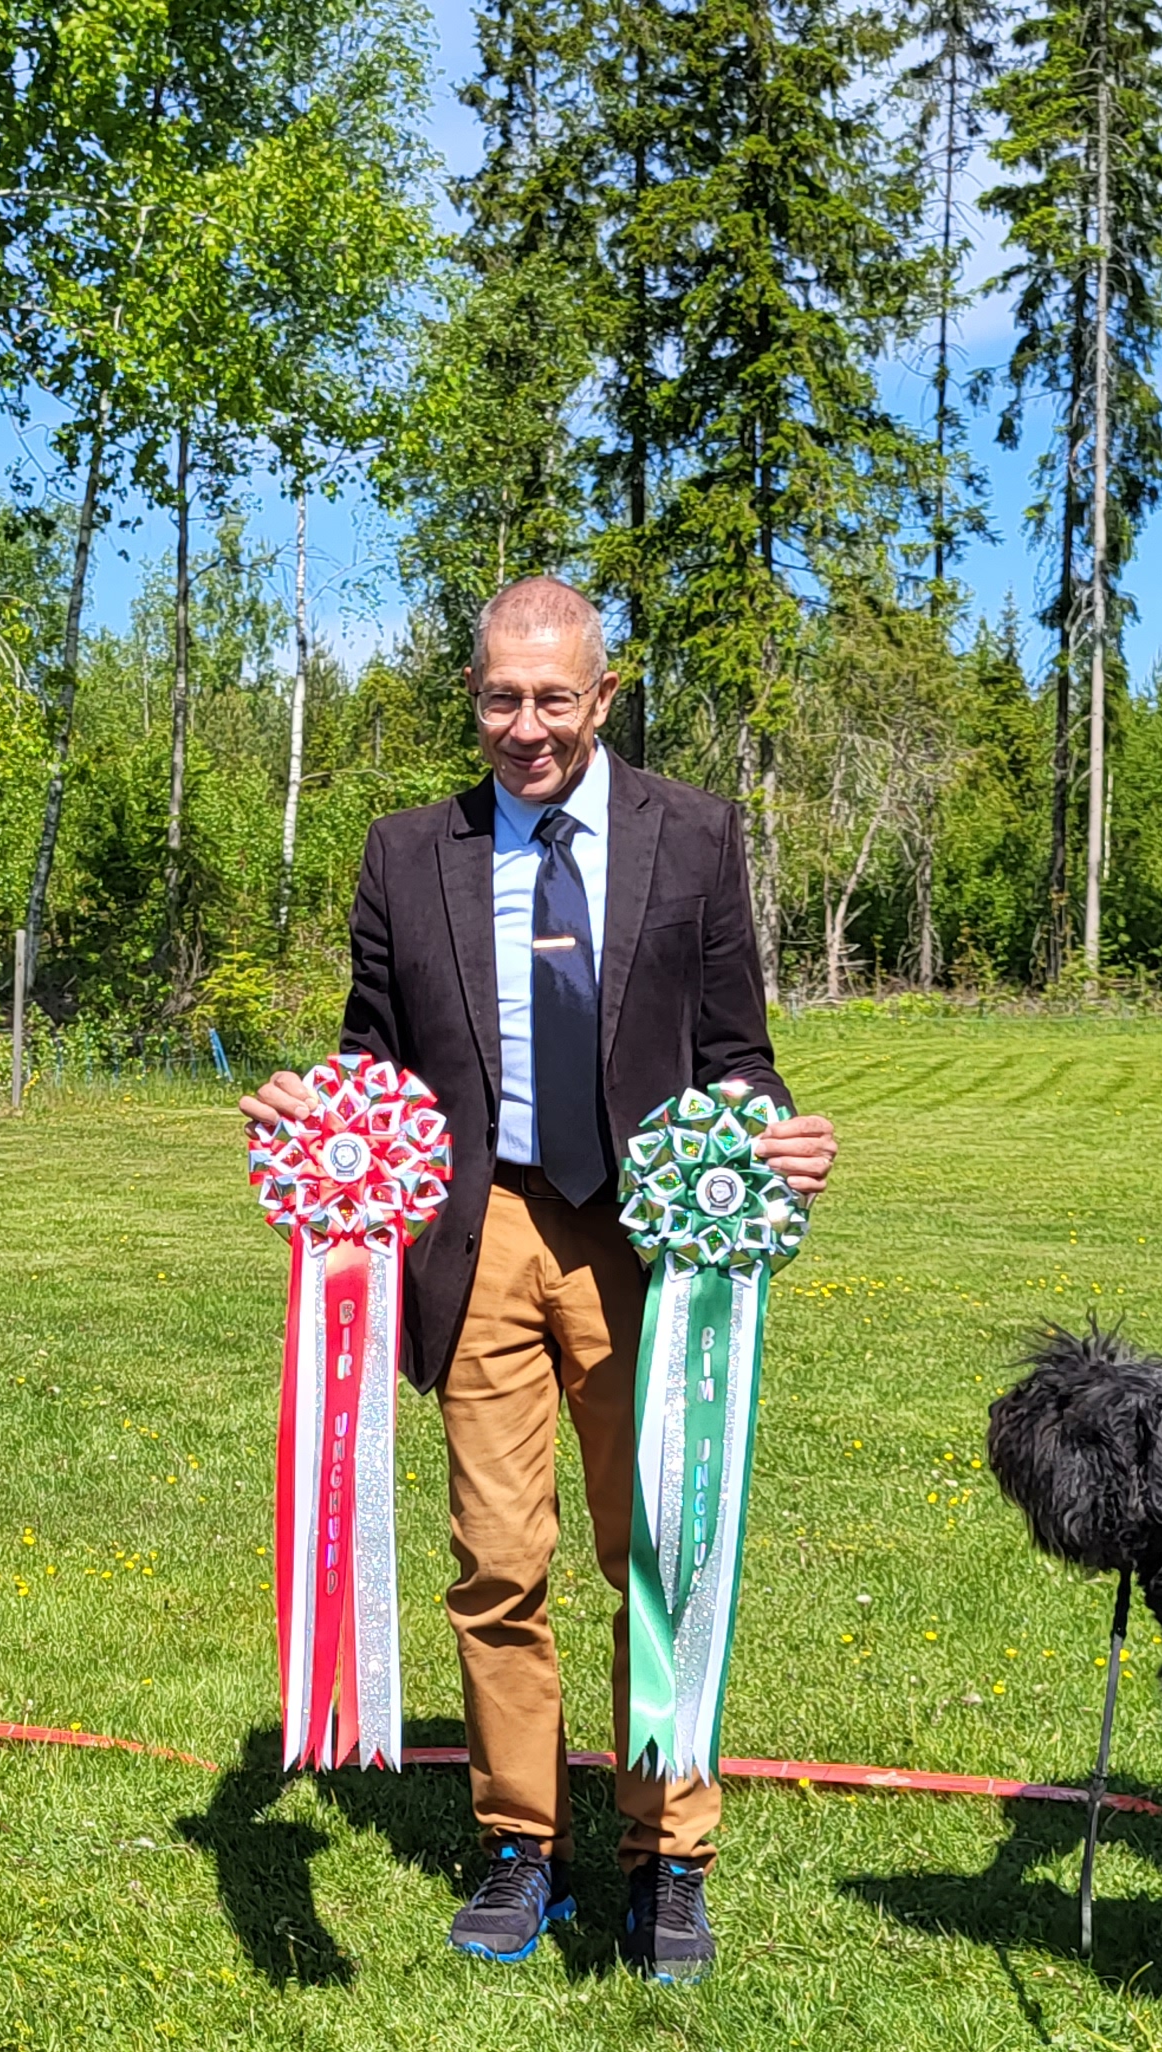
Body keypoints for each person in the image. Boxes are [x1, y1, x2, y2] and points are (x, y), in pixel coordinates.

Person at [240, 575, 837, 1980]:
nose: (526, 727)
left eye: (553, 699)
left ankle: (667, 1854)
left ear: (603, 696)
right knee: (498, 1559)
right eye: (501, 699)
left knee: (662, 1549)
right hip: (482, 1227)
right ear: (474, 695)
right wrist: (315, 1116)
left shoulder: (695, 835)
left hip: (648, 1236)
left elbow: (736, 1050)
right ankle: (524, 1842)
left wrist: (768, 1135)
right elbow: (376, 1059)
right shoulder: (407, 852)